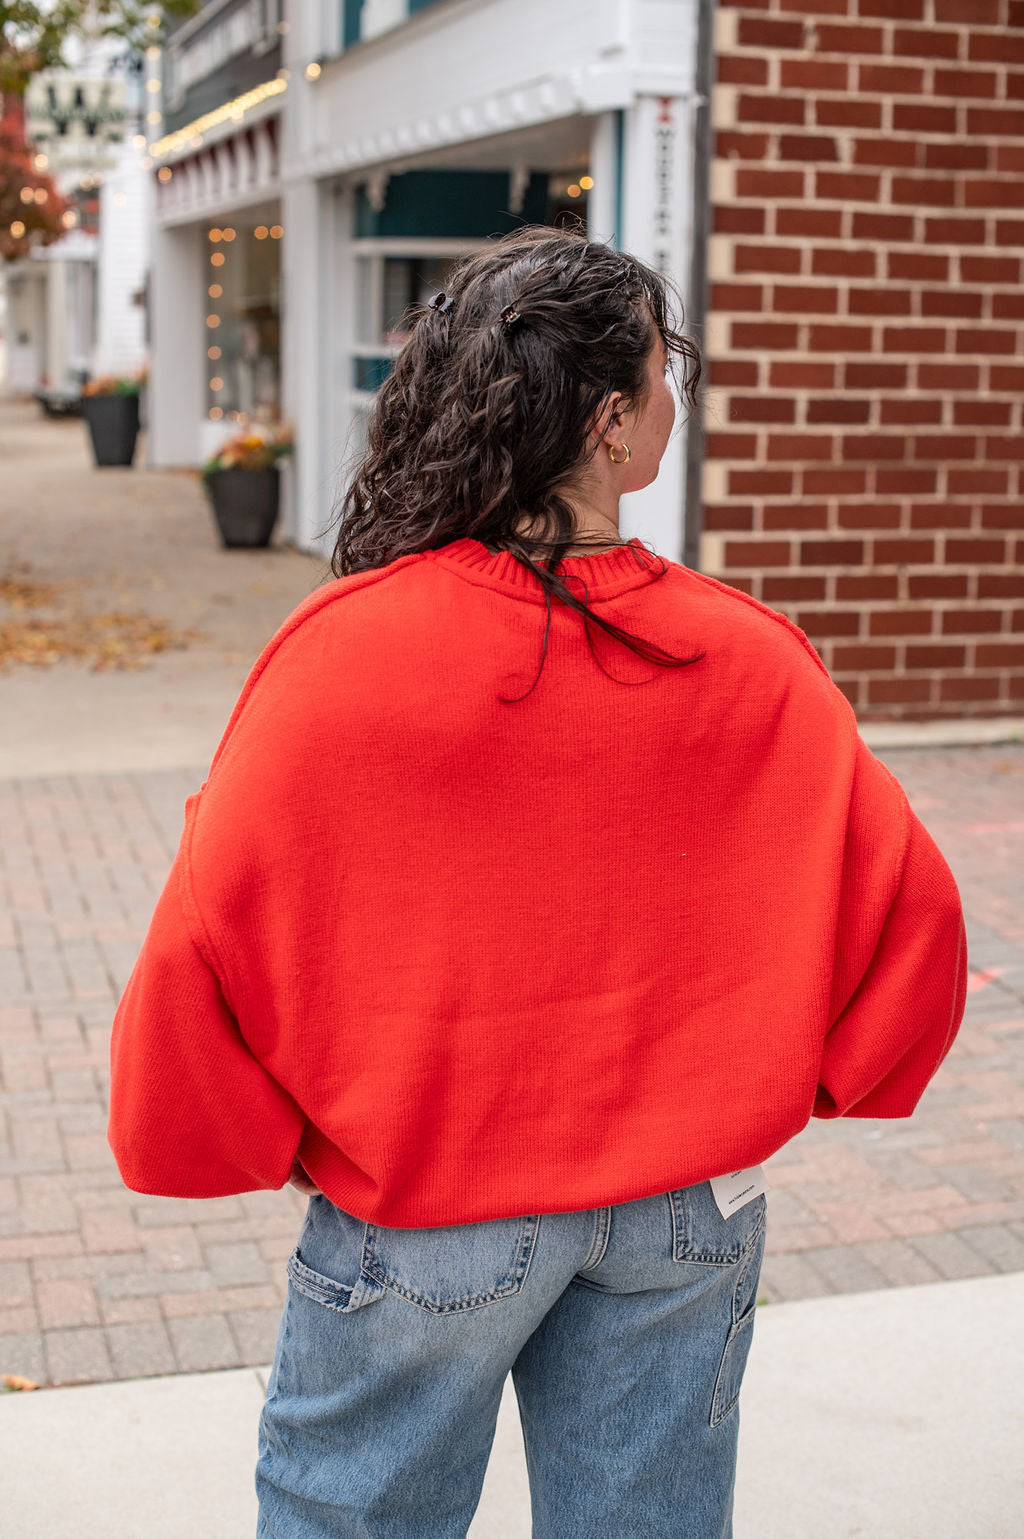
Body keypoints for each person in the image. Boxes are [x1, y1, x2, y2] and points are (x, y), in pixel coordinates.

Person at [107, 226, 967, 1539]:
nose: (680, 398)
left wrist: (265, 1137)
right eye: (666, 371)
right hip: (684, 1205)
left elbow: (208, 938)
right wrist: (781, 1078)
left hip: (426, 1200)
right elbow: (913, 922)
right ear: (614, 422)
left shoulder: (342, 650)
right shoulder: (750, 660)